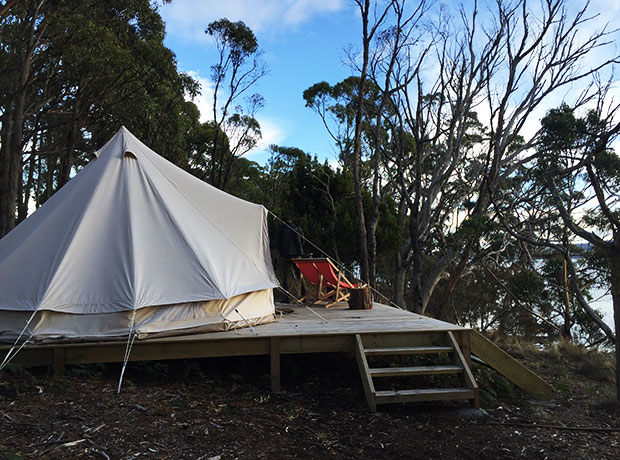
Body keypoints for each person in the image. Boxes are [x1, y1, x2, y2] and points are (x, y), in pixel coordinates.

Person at [277, 216, 305, 298]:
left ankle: (286, 297)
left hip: (285, 255)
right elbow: (303, 241)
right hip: (297, 255)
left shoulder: (281, 230)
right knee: (299, 275)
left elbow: (278, 242)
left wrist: (280, 252)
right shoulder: (297, 228)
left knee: (285, 277)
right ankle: (303, 295)